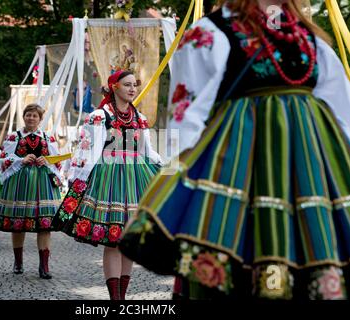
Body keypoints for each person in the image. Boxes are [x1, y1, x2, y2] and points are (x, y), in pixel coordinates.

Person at [119, 0, 350, 300]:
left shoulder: (309, 38)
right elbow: (185, 121)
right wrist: (179, 192)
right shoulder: (211, 33)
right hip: (235, 173)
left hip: (306, 176)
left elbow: (343, 112)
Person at [51, 70, 162, 300]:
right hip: (108, 177)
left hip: (135, 178)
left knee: (129, 239)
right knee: (113, 240)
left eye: (134, 85)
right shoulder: (100, 116)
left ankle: (122, 294)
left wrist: (165, 168)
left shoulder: (139, 117)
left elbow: (147, 152)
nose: (132, 89)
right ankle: (115, 299)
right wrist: (79, 179)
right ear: (115, 87)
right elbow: (88, 151)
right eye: (127, 84)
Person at [0, 104, 62, 279]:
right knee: (18, 224)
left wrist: (45, 160)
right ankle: (18, 262)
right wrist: (21, 160)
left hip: (43, 183)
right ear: (23, 117)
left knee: (45, 225)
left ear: (40, 119)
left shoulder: (48, 138)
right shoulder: (13, 137)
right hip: (20, 182)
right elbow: (2, 159)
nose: (31, 118)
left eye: (35, 116)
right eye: (28, 115)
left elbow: (58, 161)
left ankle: (44, 266)